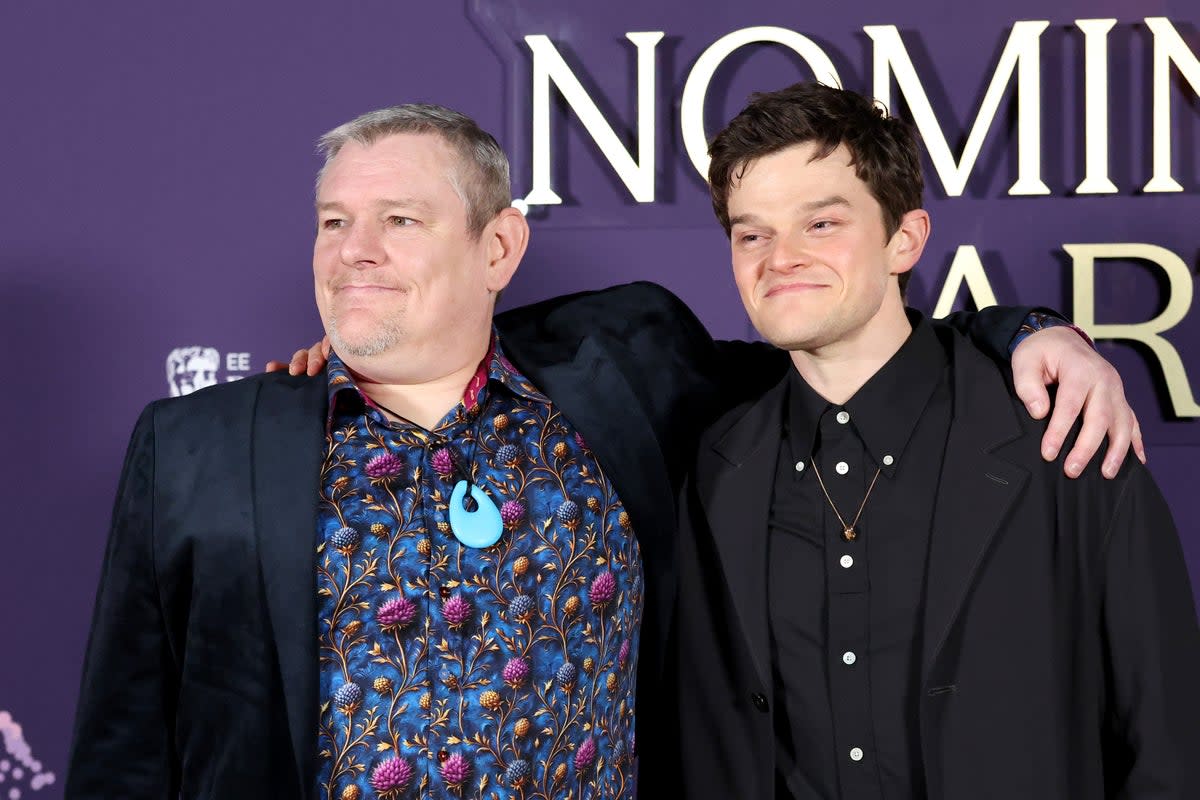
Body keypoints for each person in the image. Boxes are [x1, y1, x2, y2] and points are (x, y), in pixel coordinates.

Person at [67, 103, 1138, 800]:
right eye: (333, 221)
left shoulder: (627, 369)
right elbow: (124, 746)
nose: (355, 252)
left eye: (399, 220)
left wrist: (1026, 332)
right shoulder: (202, 446)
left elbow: (845, 343)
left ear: (498, 246)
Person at [672, 81, 1200, 800]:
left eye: (821, 223)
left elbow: (1169, 743)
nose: (780, 258)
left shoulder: (1064, 434)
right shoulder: (714, 464)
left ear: (905, 240)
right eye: (752, 234)